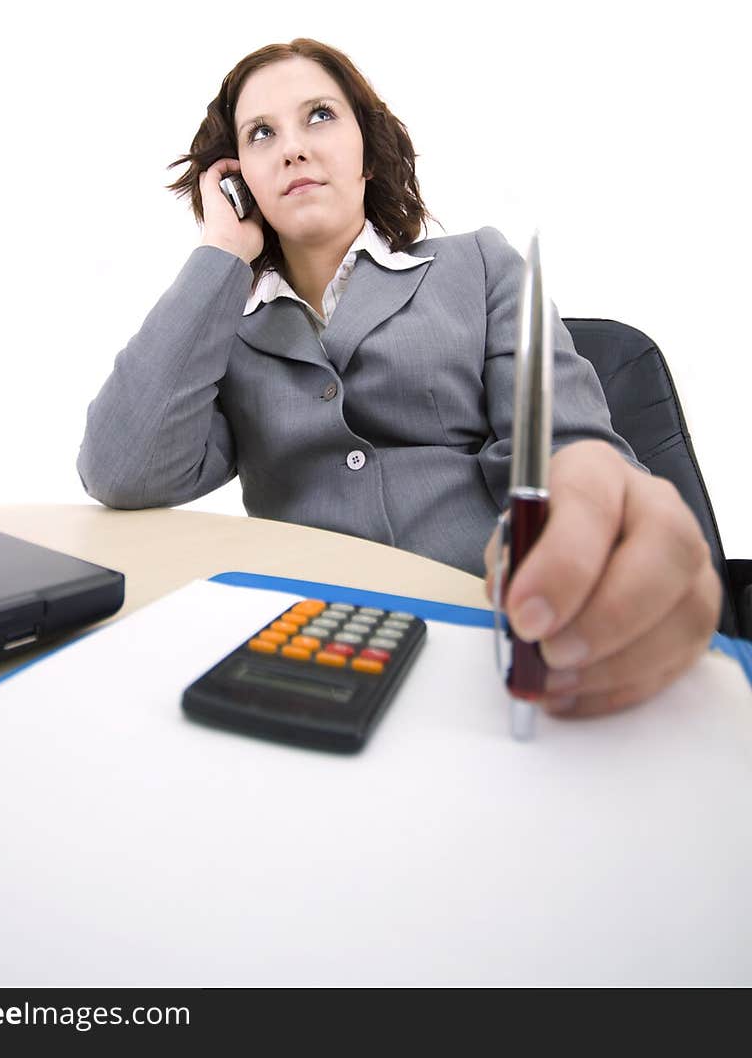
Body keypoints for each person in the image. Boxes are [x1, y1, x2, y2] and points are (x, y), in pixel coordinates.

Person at [77, 37, 722, 719]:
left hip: (482, 625)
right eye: (262, 133)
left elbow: (564, 447)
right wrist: (222, 251)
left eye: (319, 116)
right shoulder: (225, 328)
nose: (292, 147)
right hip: (310, 646)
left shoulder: (478, 265)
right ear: (239, 179)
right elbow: (123, 469)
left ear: (367, 148)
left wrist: (589, 500)